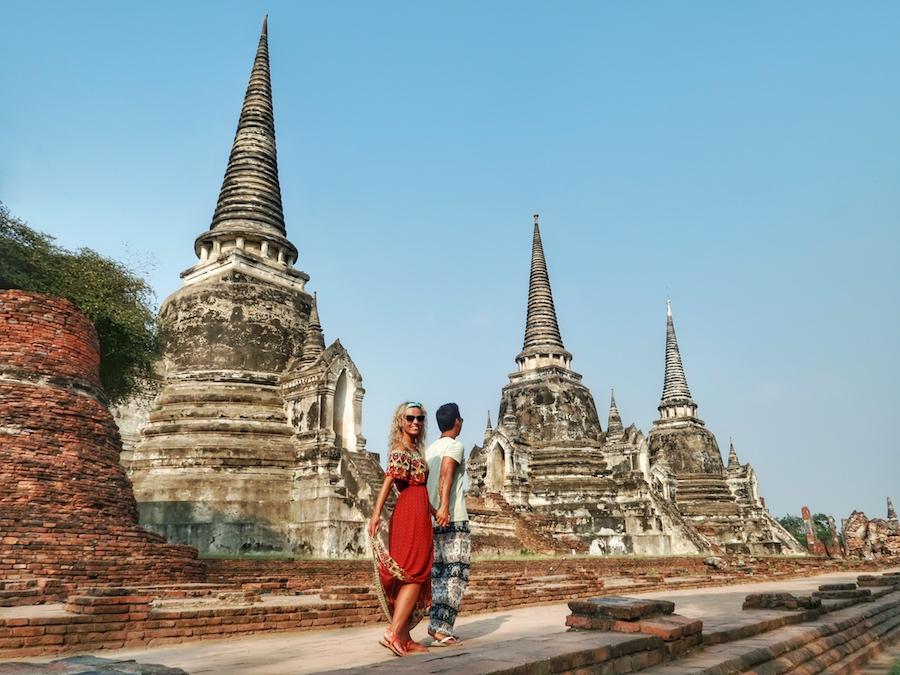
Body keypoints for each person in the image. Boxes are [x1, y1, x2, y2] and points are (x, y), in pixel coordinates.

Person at [368, 401, 434, 657]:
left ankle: (405, 637)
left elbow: (421, 490)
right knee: (413, 573)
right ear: (400, 421)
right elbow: (388, 481)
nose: (415, 422)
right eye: (410, 418)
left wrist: (434, 511)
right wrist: (376, 515)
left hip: (419, 512)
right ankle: (394, 632)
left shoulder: (416, 450)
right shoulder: (400, 450)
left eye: (419, 419)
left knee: (415, 571)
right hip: (408, 515)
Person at [424, 402, 470, 646]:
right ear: (457, 422)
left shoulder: (429, 450)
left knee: (439, 574)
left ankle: (436, 625)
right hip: (452, 517)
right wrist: (443, 506)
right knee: (456, 574)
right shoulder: (455, 446)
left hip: (433, 519)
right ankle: (441, 628)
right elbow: (447, 473)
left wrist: (433, 510)